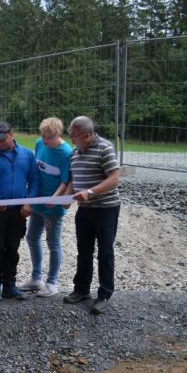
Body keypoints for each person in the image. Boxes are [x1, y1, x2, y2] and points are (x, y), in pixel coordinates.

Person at [63, 116, 121, 314]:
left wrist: (91, 192)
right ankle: (81, 289)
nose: (71, 140)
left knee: (105, 253)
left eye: (74, 136)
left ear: (87, 135)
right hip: (84, 210)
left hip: (106, 209)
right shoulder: (75, 152)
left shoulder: (105, 148)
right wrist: (67, 199)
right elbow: (73, 179)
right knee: (84, 251)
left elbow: (114, 178)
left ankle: (104, 294)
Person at [0, 122, 39, 301]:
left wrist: (29, 203)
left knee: (13, 248)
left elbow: (34, 181)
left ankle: (10, 284)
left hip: (19, 211)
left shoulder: (27, 155)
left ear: (11, 134)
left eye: (2, 140)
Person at [20, 117, 73, 298]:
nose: (44, 140)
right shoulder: (39, 144)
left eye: (48, 137)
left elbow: (65, 181)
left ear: (57, 134)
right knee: (32, 238)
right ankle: (36, 278)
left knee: (53, 243)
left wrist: (55, 198)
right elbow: (36, 170)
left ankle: (52, 282)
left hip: (53, 207)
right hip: (37, 203)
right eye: (42, 136)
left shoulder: (66, 153)